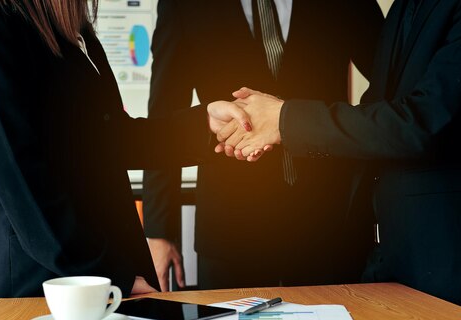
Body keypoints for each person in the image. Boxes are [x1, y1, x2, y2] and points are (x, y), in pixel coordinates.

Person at [214, 0, 461, 320]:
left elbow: (425, 123)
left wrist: (286, 120)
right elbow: (379, 109)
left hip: (450, 263)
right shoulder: (404, 5)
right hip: (381, 265)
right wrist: (272, 129)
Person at [0, 0, 248, 298]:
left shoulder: (76, 32)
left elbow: (113, 138)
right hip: (51, 284)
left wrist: (205, 122)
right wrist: (110, 275)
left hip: (111, 267)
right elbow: (19, 175)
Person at [142, 0, 384, 291]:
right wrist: (158, 232)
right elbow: (164, 113)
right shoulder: (184, 6)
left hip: (331, 217)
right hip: (231, 224)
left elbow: (391, 77)